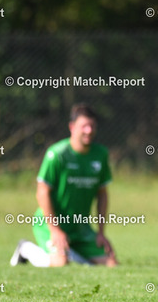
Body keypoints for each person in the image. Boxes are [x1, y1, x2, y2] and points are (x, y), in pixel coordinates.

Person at [10, 103, 118, 268]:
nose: (89, 130)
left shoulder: (100, 154)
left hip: (80, 229)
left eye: (92, 126)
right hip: (49, 225)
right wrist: (54, 230)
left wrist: (101, 233)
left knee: (111, 263)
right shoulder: (57, 154)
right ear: (72, 127)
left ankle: (73, 254)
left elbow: (102, 193)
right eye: (84, 126)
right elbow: (42, 192)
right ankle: (25, 248)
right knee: (60, 262)